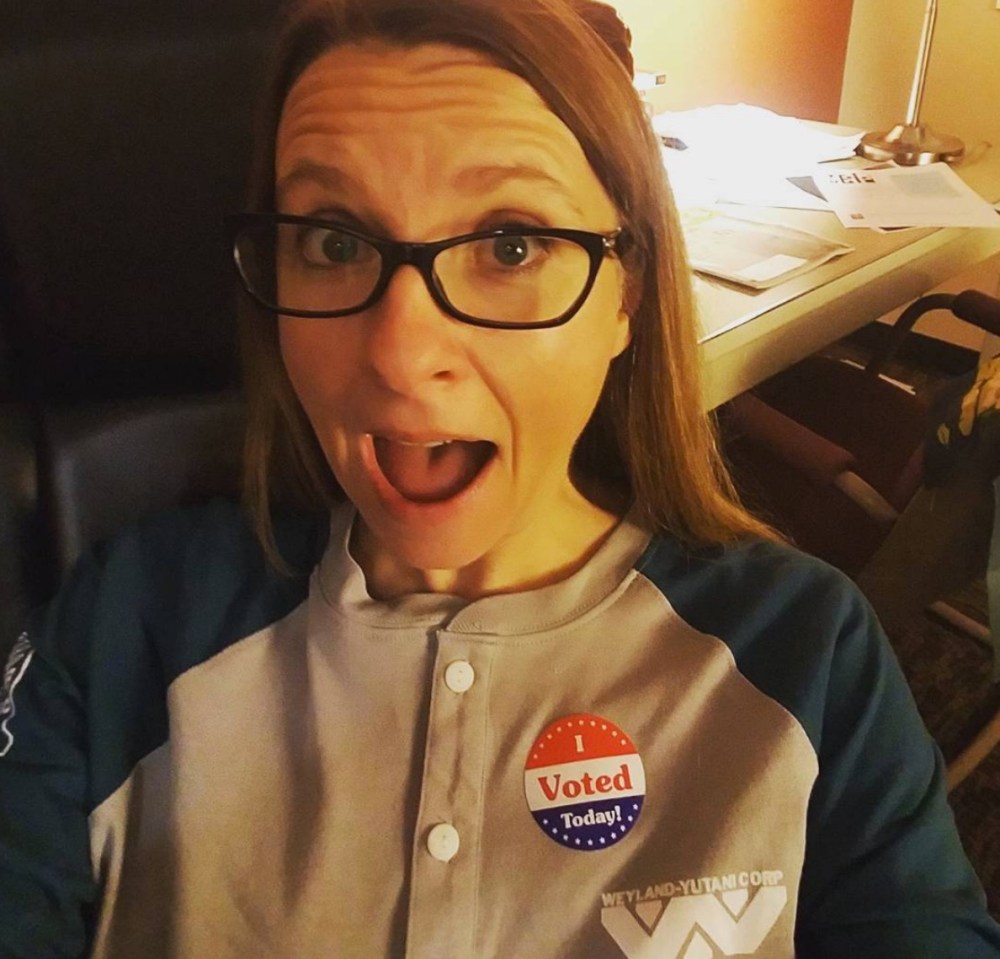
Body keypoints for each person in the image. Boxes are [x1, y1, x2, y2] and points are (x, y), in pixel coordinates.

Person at [1, 0, 998, 956]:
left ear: (627, 294)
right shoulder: (126, 622)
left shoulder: (802, 654)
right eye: (335, 243)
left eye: (510, 245)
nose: (399, 353)